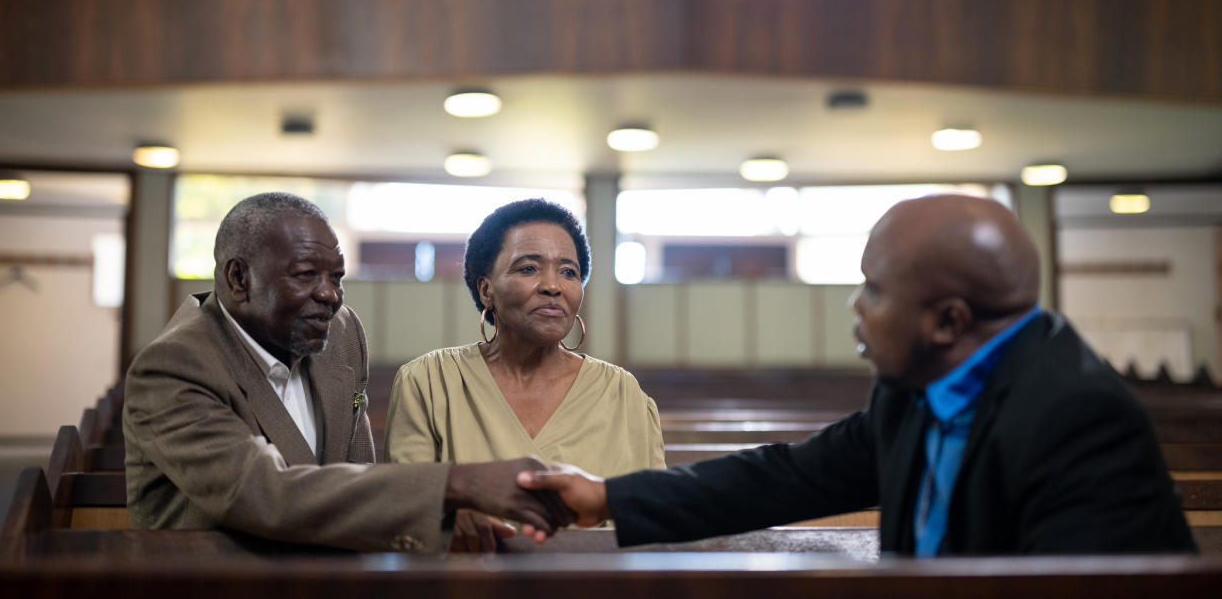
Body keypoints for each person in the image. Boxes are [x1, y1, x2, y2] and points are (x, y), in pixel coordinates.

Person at [518, 194, 1197, 555]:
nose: (855, 307)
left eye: (872, 291)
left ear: (947, 321)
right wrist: (609, 497)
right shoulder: (918, 390)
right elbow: (789, 475)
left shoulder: (1079, 421)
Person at [123, 192, 571, 552]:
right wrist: (456, 484)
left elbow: (357, 479)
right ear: (239, 279)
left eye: (336, 277)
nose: (330, 295)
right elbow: (263, 495)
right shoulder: (173, 367)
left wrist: (441, 518)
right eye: (305, 275)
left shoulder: (339, 333)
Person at [385, 198, 664, 551]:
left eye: (568, 272)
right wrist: (446, 513)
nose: (553, 286)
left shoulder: (624, 394)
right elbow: (403, 510)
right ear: (486, 289)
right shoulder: (428, 381)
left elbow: (653, 522)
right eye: (529, 269)